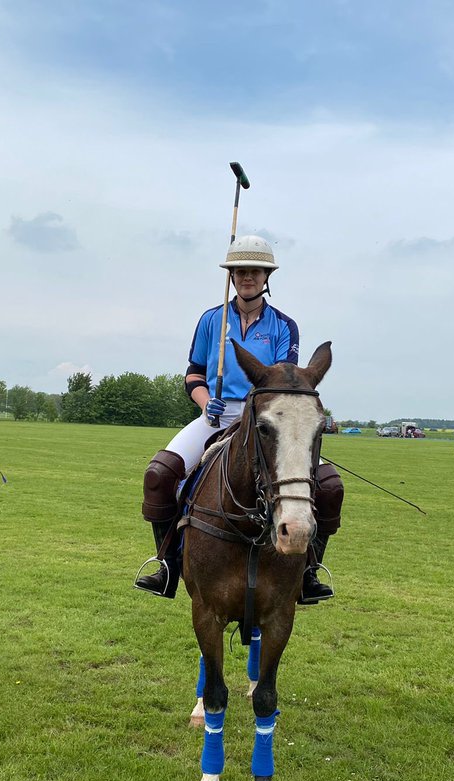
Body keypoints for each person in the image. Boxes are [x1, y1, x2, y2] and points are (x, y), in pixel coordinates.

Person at [133, 235, 342, 602]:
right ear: (231, 276)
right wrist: (205, 401)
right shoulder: (212, 320)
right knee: (159, 474)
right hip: (215, 414)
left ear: (266, 278)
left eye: (256, 271)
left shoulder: (283, 325)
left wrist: (256, 409)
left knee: (328, 487)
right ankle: (166, 563)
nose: (248, 277)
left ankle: (308, 571)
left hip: (265, 418)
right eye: (241, 271)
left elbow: (283, 377)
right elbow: (194, 373)